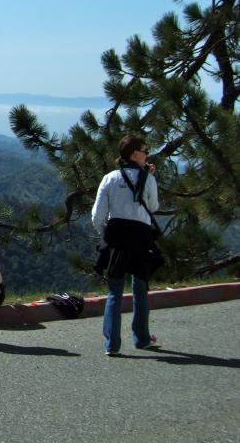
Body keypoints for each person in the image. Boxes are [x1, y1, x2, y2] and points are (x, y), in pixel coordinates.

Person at [91, 135, 161, 356]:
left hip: (117, 236)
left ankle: (112, 344)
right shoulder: (148, 179)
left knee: (115, 291)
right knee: (140, 289)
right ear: (135, 154)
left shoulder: (110, 178)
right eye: (145, 151)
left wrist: (106, 234)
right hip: (140, 236)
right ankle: (142, 338)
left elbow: (97, 215)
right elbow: (153, 207)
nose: (147, 155)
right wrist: (149, 179)